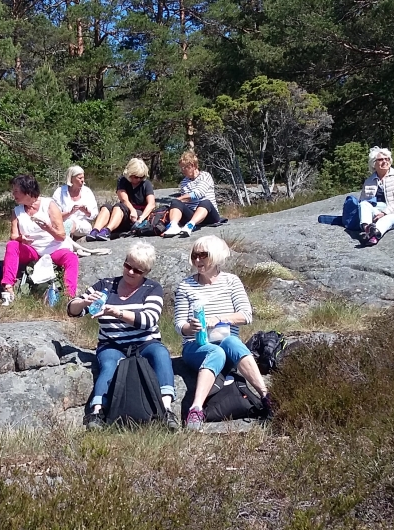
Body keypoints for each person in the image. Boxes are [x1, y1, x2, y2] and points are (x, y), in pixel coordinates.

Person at [66, 242, 178, 431]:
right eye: (128, 265)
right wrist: (84, 302)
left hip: (145, 342)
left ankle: (166, 409)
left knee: (161, 354)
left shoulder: (153, 288)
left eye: (138, 270)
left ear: (146, 272)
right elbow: (72, 311)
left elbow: (148, 320)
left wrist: (116, 312)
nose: (131, 272)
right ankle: (97, 411)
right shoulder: (105, 285)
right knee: (110, 364)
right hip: (111, 344)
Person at [174, 235, 272, 430]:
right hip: (197, 345)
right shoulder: (186, 285)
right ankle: (196, 409)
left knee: (232, 343)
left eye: (203, 255)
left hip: (225, 340)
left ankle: (265, 395)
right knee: (215, 352)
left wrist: (219, 319)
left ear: (216, 256)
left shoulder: (231, 281)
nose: (198, 260)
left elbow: (246, 315)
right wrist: (190, 327)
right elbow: (179, 325)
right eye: (195, 255)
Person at [0, 174, 79, 306]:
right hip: (33, 250)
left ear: (28, 191)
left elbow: (61, 236)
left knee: (71, 258)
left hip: (55, 248)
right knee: (12, 245)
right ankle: (8, 288)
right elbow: (13, 235)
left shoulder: (49, 204)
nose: (13, 194)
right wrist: (21, 239)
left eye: (16, 191)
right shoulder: (17, 211)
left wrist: (48, 229)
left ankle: (69, 297)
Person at [86, 158, 156, 241]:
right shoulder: (122, 180)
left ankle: (107, 230)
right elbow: (123, 198)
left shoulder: (146, 184)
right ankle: (95, 231)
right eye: (136, 177)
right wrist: (132, 209)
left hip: (138, 215)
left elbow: (151, 204)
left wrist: (140, 219)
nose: (138, 179)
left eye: (141, 177)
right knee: (106, 207)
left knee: (119, 207)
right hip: (126, 209)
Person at [357, 146, 394, 246]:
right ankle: (367, 229)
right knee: (364, 204)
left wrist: (384, 212)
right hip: (375, 215)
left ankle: (374, 235)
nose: (385, 161)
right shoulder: (369, 181)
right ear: (374, 163)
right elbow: (363, 202)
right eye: (380, 159)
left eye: (387, 159)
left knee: (387, 219)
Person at [162, 151, 222, 238]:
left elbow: (198, 193)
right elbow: (184, 201)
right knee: (176, 202)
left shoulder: (205, 176)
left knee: (205, 202)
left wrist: (180, 199)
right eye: (181, 168)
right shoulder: (184, 182)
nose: (182, 171)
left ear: (193, 166)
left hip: (209, 215)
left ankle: (190, 225)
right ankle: (173, 226)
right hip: (192, 213)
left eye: (185, 167)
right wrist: (177, 203)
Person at [52, 165, 99, 239]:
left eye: (83, 177)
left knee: (71, 223)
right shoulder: (59, 192)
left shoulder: (87, 192)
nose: (82, 180)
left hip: (82, 224)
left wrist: (86, 211)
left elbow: (94, 214)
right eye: (79, 178)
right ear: (71, 179)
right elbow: (54, 215)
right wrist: (70, 212)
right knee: (64, 223)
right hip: (62, 223)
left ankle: (63, 239)